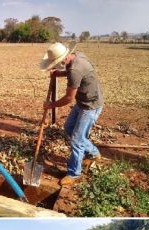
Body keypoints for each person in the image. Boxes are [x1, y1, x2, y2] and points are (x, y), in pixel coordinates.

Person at [40, 42, 104, 186]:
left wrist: (51, 105)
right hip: (83, 102)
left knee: (77, 139)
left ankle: (74, 174)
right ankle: (93, 153)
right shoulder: (76, 57)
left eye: (56, 64)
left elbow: (68, 98)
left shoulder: (75, 68)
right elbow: (73, 73)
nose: (55, 66)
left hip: (90, 106)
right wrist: (59, 73)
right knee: (68, 128)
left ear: (63, 59)